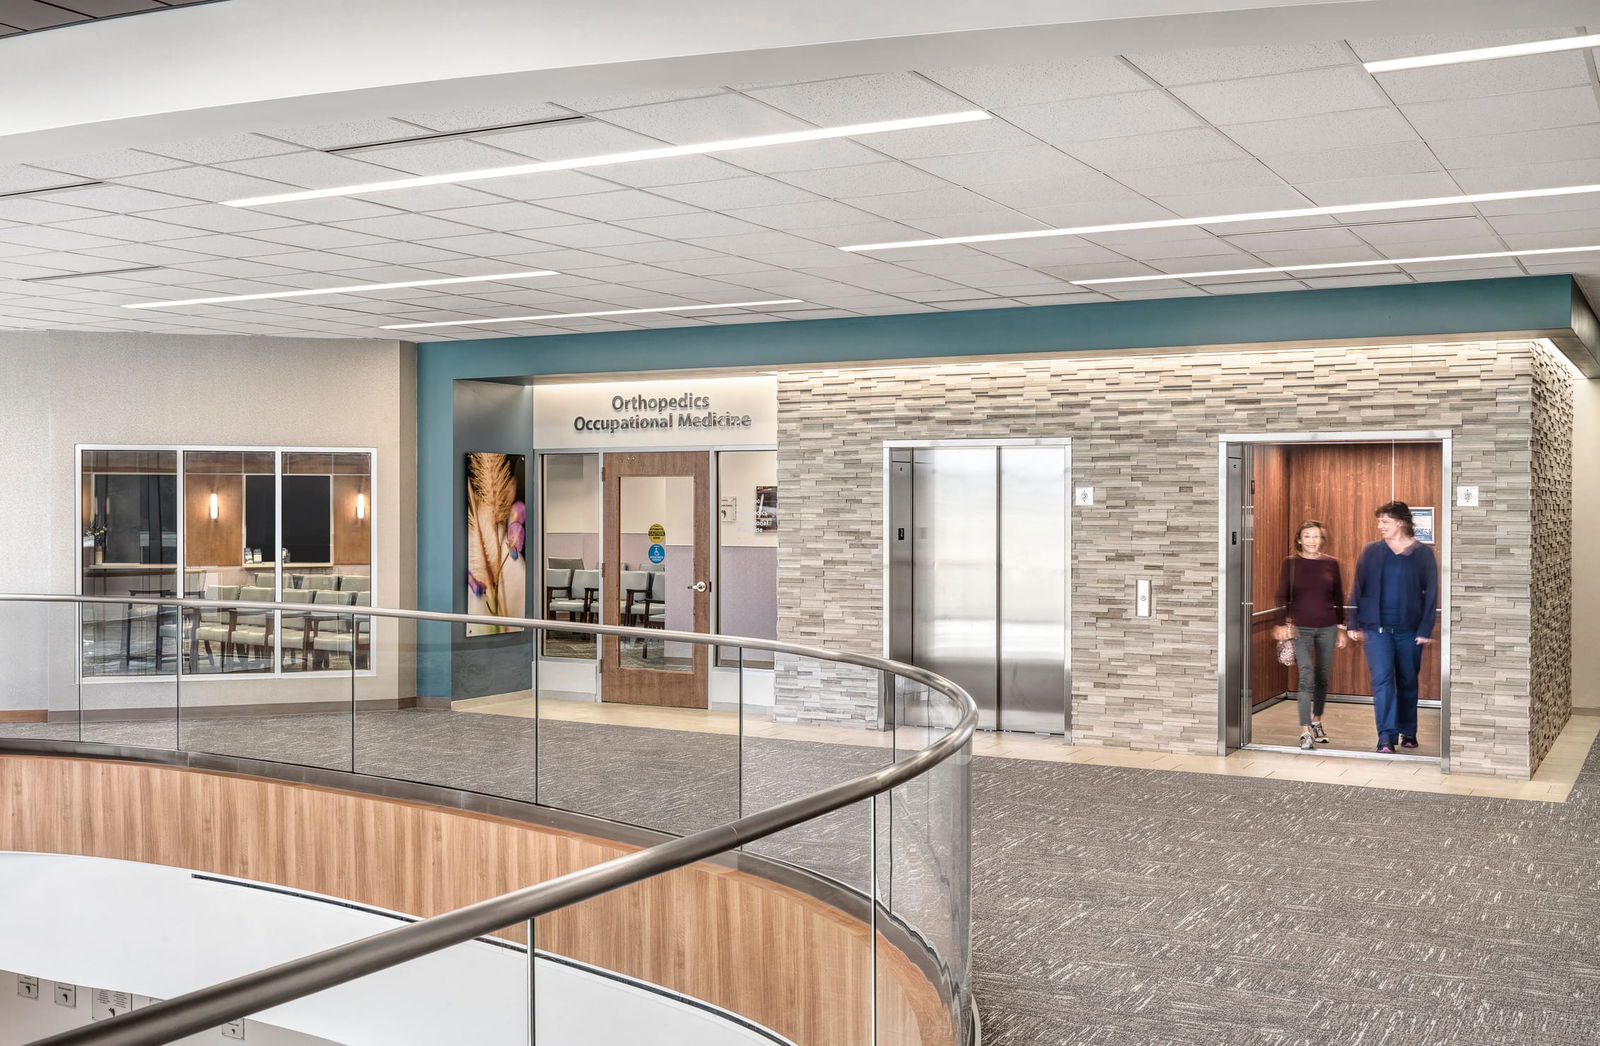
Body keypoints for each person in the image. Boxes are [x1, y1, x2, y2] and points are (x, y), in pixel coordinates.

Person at [1346, 501, 1439, 754]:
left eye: (1384, 521)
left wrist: (1424, 629)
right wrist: (1352, 622)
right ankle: (1386, 736)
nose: (1380, 526)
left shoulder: (1423, 554)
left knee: (1408, 681)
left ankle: (1408, 731)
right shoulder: (1371, 551)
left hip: (1409, 631)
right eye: (1379, 522)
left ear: (1400, 522)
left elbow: (1431, 594)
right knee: (1383, 681)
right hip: (1377, 630)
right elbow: (1358, 587)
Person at [1271, 521, 1347, 750]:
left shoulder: (1331, 563)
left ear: (1321, 539)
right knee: (1306, 677)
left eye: (1316, 536)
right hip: (1300, 628)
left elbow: (1339, 596)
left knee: (1322, 677)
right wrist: (1279, 624)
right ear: (1299, 539)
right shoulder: (1291, 564)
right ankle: (1305, 731)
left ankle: (1317, 721)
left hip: (1327, 627)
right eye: (1307, 536)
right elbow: (1281, 595)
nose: (1312, 540)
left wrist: (1342, 627)